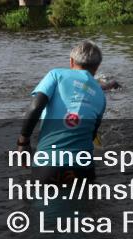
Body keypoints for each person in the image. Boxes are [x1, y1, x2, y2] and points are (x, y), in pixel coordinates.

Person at [17, 40, 106, 184]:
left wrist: (23, 142)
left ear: (71, 61)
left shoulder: (56, 75)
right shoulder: (101, 95)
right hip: (83, 169)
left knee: (38, 204)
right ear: (97, 67)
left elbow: (35, 107)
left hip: (48, 165)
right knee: (85, 204)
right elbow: (92, 134)